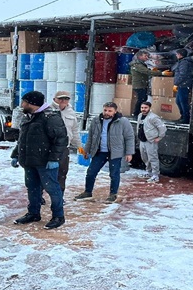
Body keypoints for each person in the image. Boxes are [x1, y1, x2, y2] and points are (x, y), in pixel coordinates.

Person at [12, 91, 68, 229]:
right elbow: (22, 139)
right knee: (32, 188)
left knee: (53, 189)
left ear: (32, 104)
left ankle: (58, 216)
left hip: (46, 162)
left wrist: (54, 159)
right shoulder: (28, 117)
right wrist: (15, 154)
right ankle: (33, 213)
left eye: (24, 102)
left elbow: (61, 139)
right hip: (29, 161)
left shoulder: (50, 117)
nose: (22, 104)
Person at [74, 102, 135, 203]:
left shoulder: (122, 121)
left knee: (114, 174)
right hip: (99, 152)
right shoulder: (96, 121)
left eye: (110, 111)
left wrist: (129, 153)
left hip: (115, 152)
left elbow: (129, 137)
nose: (107, 112)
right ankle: (87, 192)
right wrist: (86, 150)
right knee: (91, 172)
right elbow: (91, 137)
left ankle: (113, 194)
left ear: (115, 111)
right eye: (105, 110)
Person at [52, 90, 82, 195]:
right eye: (60, 98)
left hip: (64, 148)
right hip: (49, 148)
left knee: (62, 173)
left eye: (66, 99)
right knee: (46, 173)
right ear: (55, 99)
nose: (63, 101)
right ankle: (40, 196)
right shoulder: (48, 110)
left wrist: (79, 146)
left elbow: (74, 131)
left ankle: (60, 195)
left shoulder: (71, 112)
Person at [136, 101, 167, 183]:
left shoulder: (153, 117)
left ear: (149, 108)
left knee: (153, 158)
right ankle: (149, 172)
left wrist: (159, 137)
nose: (143, 109)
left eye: (145, 108)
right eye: (142, 108)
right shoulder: (140, 116)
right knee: (145, 157)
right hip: (142, 140)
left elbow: (162, 128)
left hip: (151, 141)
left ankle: (155, 175)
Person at [173, 48, 193, 124]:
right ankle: (183, 116)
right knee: (179, 101)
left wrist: (176, 82)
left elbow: (183, 74)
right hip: (183, 84)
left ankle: (186, 118)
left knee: (182, 101)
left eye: (177, 54)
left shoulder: (184, 63)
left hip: (184, 84)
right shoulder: (183, 62)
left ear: (180, 54)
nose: (176, 55)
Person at [129, 50, 151, 118]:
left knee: (143, 99)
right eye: (145, 56)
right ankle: (137, 113)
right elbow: (146, 71)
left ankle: (139, 113)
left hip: (142, 84)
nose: (147, 58)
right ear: (140, 56)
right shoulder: (137, 65)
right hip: (139, 85)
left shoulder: (140, 64)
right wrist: (161, 73)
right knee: (141, 99)